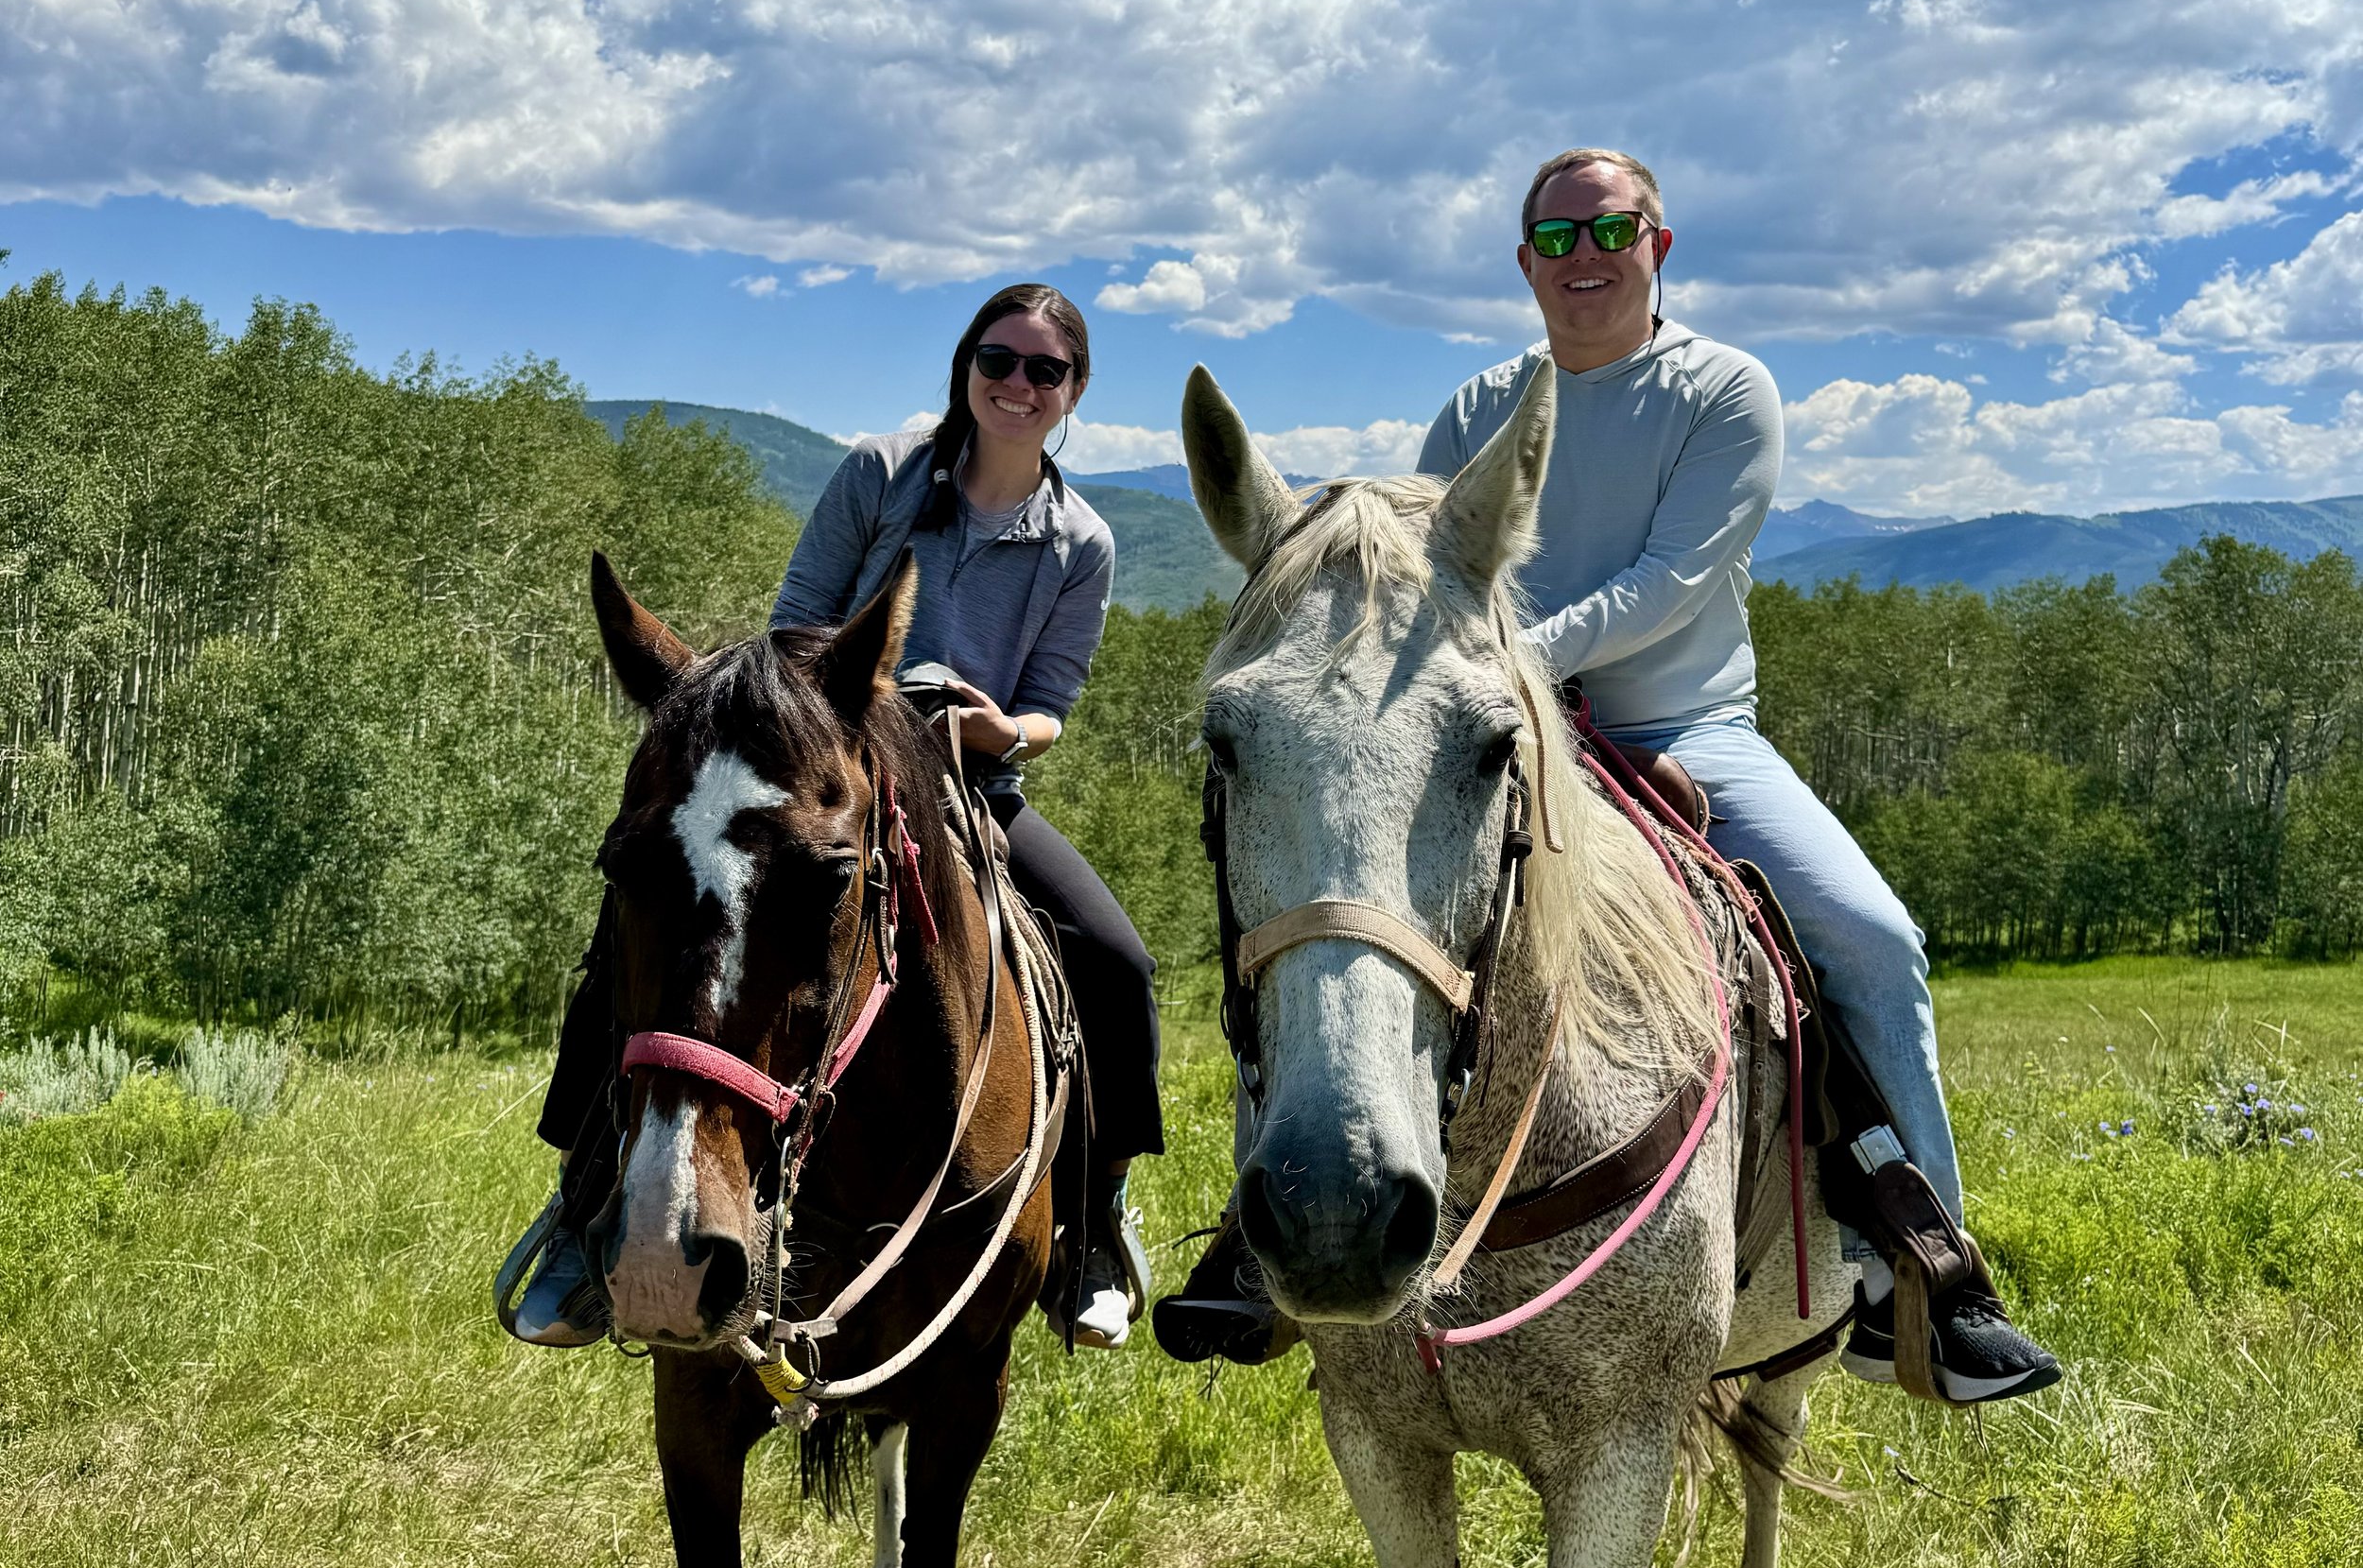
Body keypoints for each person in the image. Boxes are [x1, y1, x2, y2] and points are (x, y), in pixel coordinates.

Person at [1154, 151, 2059, 1407]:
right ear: (1525, 260)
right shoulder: (1480, 407)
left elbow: (1676, 582)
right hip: (1491, 737)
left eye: (1612, 228)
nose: (1586, 252)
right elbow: (1423, 583)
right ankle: (1267, 1238)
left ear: (1658, 246)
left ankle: (1922, 1268)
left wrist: (1510, 663)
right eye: (1558, 233)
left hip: (1687, 734)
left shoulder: (1725, 392)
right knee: (1331, 911)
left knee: (1868, 937)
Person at [500, 283, 1160, 1353]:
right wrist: (849, 723)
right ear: (966, 364)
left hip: (970, 790)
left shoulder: (1081, 540)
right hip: (823, 777)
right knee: (624, 939)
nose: (1017, 385)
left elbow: (1054, 709)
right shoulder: (881, 473)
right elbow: (792, 625)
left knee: (1116, 963)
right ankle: (585, 1215)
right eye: (999, 359)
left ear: (1074, 392)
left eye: (1045, 371)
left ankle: (1089, 1224)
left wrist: (1007, 730)